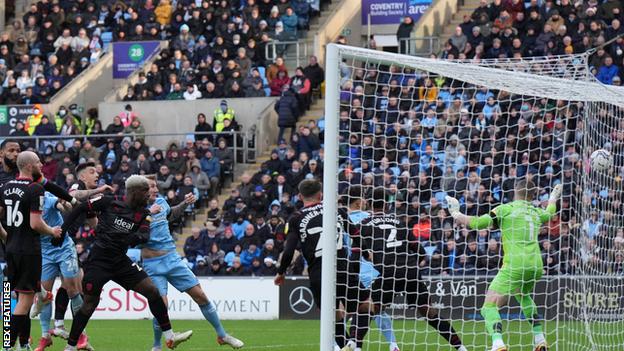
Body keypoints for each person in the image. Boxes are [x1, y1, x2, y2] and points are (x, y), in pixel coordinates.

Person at [57, 175, 193, 350]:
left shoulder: (144, 214)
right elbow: (79, 208)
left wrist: (123, 237)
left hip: (120, 261)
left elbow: (143, 236)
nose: (148, 197)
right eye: (146, 193)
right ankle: (70, 347)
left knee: (152, 291)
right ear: (135, 192)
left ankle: (170, 336)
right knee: (89, 304)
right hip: (99, 261)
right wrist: (62, 233)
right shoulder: (108, 202)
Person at [342, 188, 468, 351]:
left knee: (366, 309)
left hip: (388, 272)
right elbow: (422, 254)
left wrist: (360, 270)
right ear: (387, 204)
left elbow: (355, 257)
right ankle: (461, 348)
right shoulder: (399, 223)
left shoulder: (363, 226)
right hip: (411, 272)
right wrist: (408, 265)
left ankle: (353, 342)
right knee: (431, 314)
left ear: (368, 204)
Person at [446, 180, 562, 351]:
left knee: (488, 307)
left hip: (515, 263)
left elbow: (477, 224)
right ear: (532, 195)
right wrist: (553, 197)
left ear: (516, 190)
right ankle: (540, 341)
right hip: (536, 265)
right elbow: (550, 212)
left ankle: (497, 344)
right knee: (523, 295)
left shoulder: (505, 209)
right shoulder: (536, 212)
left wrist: (455, 213)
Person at [142, 176, 244, 350]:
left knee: (201, 296)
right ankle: (157, 345)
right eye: (152, 187)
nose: (156, 190)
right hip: (152, 264)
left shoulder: (161, 201)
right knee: (161, 305)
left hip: (172, 259)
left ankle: (222, 335)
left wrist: (184, 204)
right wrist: (148, 214)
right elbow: (133, 234)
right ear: (142, 190)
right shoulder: (134, 210)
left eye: (156, 186)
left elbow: (170, 214)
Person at [274, 179, 361, 350]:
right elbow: (356, 234)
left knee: (331, 314)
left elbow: (289, 250)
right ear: (321, 194)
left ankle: (346, 344)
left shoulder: (296, 218)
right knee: (363, 305)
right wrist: (360, 256)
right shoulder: (337, 210)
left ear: (300, 196)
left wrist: (281, 272)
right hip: (344, 267)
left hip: (318, 273)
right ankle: (353, 342)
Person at [0, 151, 63, 350]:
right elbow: (36, 223)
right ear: (29, 166)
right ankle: (8, 344)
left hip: (11, 250)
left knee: (18, 298)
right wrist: (52, 231)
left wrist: (7, 237)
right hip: (29, 251)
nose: (41, 164)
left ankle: (24, 343)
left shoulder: (6, 187)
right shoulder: (35, 189)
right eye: (38, 162)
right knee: (25, 301)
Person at [46, 162, 112, 342]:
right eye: (92, 172)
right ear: (82, 177)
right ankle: (69, 332)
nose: (97, 175)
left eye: (97, 172)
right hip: (58, 242)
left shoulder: (88, 203)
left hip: (66, 243)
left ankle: (61, 327)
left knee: (74, 286)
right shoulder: (78, 187)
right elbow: (73, 195)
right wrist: (98, 190)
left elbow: (96, 226)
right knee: (70, 287)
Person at [31, 192, 93, 351]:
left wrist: (65, 204)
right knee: (44, 295)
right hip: (45, 252)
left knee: (73, 290)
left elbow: (60, 205)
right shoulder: (25, 202)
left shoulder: (46, 198)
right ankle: (45, 336)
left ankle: (81, 334)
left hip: (63, 248)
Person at [345, 187, 398, 351]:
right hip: (375, 268)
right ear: (359, 201)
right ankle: (393, 344)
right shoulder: (370, 217)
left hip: (354, 269)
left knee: (352, 310)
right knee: (376, 309)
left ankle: (351, 344)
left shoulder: (341, 220)